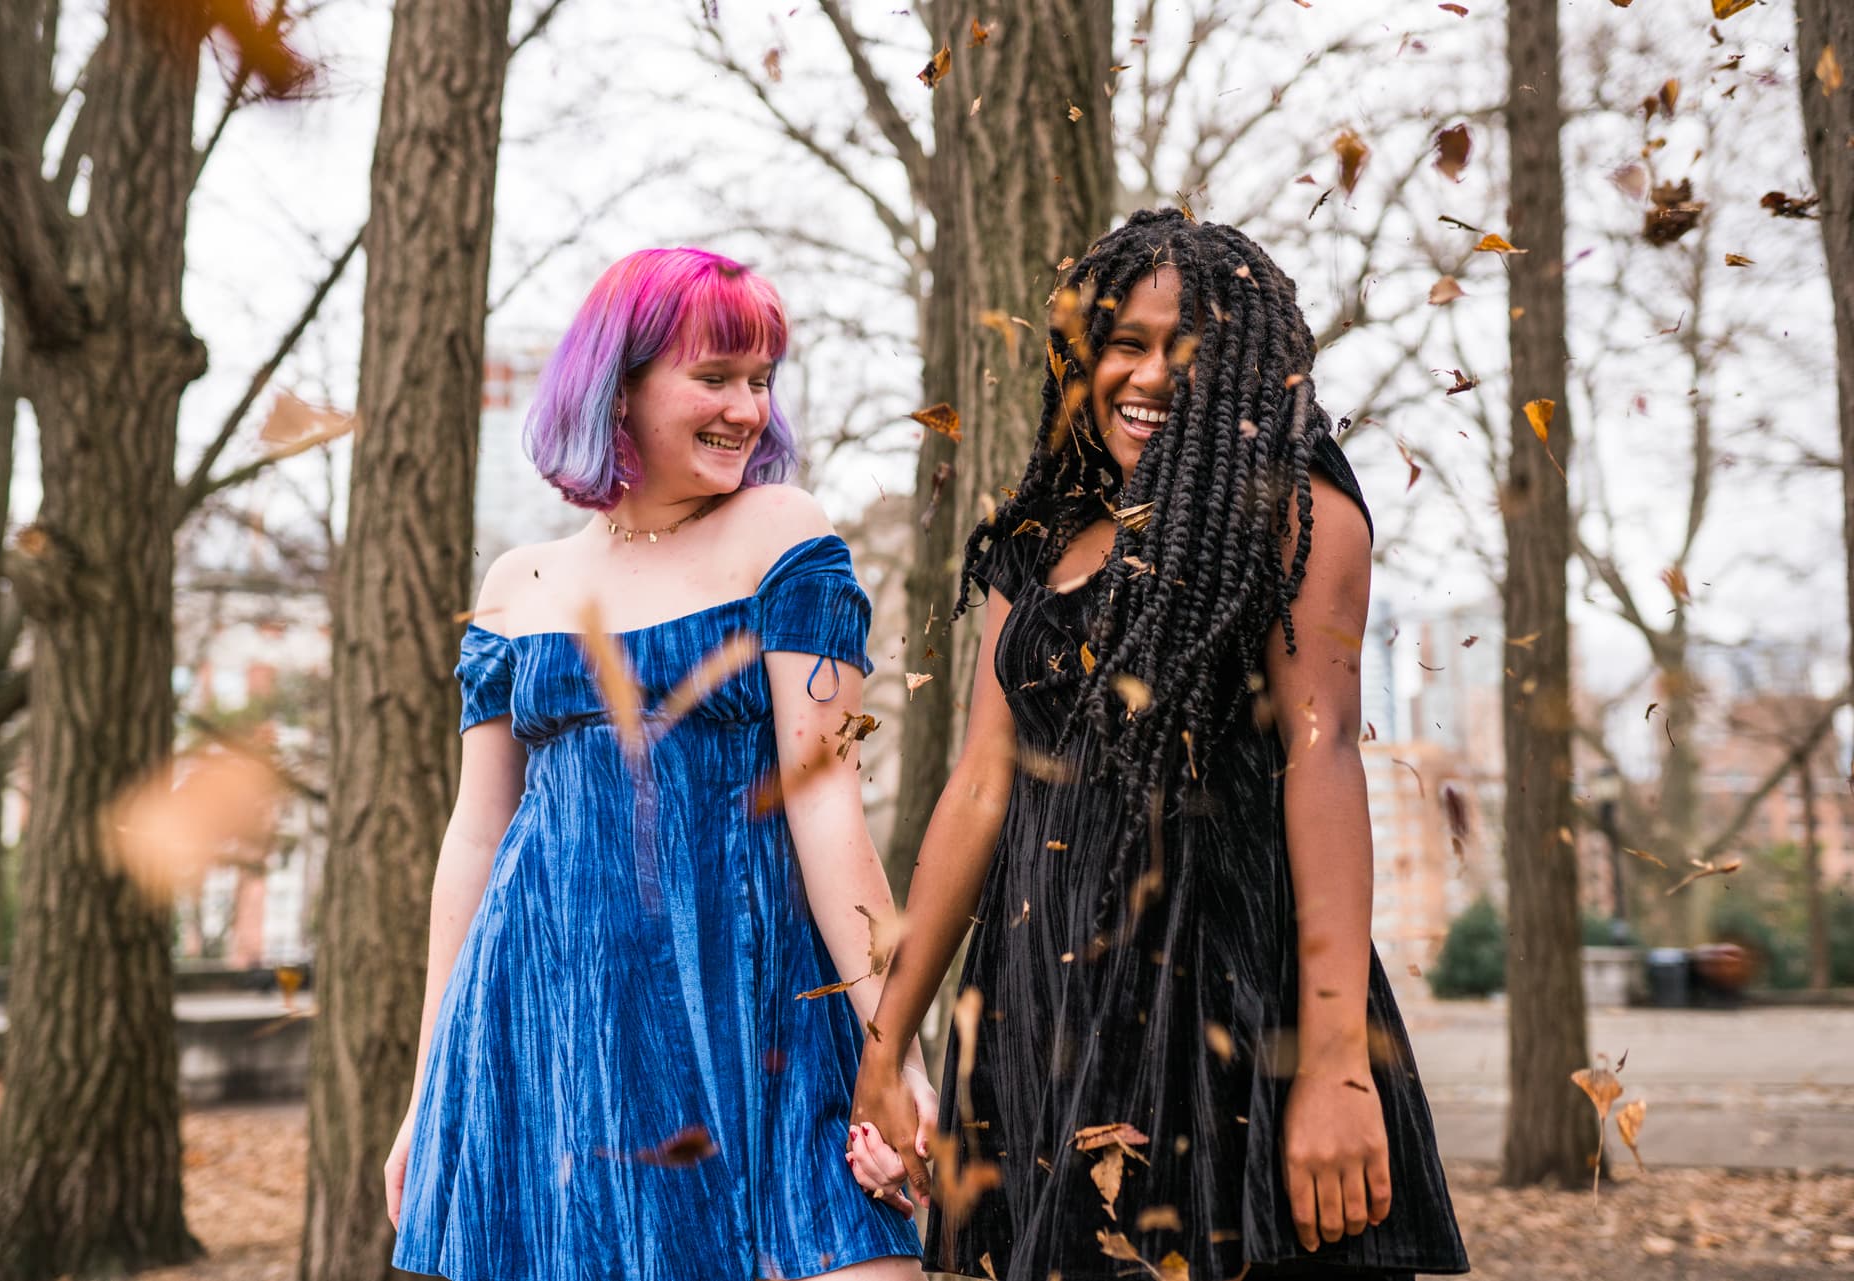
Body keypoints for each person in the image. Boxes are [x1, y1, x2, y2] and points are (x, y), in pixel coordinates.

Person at [846, 211, 1469, 1280]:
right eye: (1123, 343)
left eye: (1188, 348)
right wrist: (886, 1044)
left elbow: (1322, 760)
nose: (1148, 375)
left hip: (1224, 998)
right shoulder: (1039, 533)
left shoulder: (1298, 513)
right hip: (1042, 1007)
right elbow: (981, 785)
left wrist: (1336, 1066)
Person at [386, 247, 929, 1280]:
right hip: (555, 1026)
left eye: (761, 379)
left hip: (757, 1013)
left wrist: (894, 1045)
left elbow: (827, 810)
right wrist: (429, 1093)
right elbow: (476, 839)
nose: (748, 410)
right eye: (715, 377)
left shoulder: (781, 532)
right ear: (618, 386)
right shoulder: (519, 585)